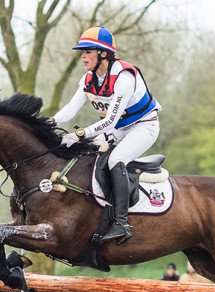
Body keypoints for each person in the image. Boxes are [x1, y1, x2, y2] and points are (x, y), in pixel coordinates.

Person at [49, 26, 161, 244]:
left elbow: (109, 120)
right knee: (89, 157)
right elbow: (71, 109)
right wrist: (50, 121)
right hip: (119, 128)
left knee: (116, 160)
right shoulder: (88, 79)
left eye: (88, 51)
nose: (83, 56)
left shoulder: (123, 78)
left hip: (144, 126)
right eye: (82, 52)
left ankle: (122, 223)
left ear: (103, 54)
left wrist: (79, 134)